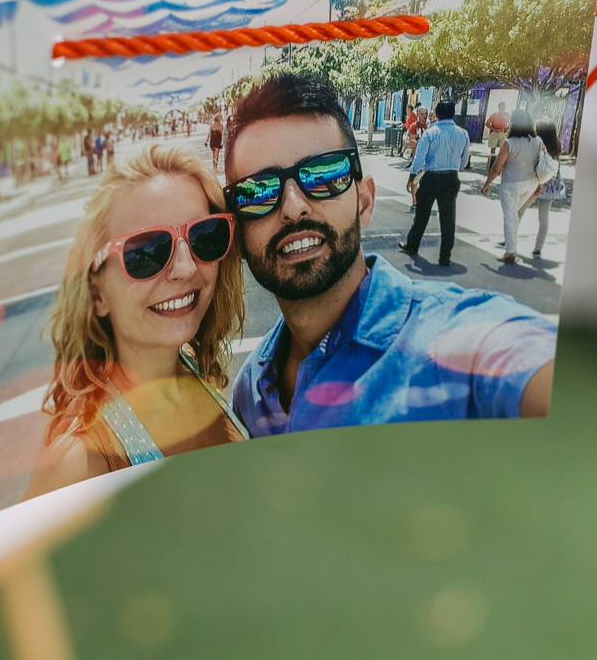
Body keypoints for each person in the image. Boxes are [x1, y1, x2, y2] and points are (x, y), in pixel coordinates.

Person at [223, 74, 556, 435]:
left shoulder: (453, 343)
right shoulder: (249, 391)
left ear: (364, 202)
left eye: (323, 174)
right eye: (256, 193)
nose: (293, 207)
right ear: (238, 235)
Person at [26, 145, 248, 497]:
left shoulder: (195, 373)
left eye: (205, 236)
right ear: (97, 293)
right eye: (146, 252)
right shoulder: (81, 462)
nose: (186, 269)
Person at [402, 100, 471, 266]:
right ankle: (445, 256)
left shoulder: (430, 133)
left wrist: (412, 177)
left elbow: (419, 159)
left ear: (437, 114)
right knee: (448, 218)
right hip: (451, 177)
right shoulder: (463, 134)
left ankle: (412, 246)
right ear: (453, 114)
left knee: (422, 215)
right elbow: (464, 160)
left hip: (431, 178)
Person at [480, 110, 547, 264]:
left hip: (511, 185)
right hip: (531, 183)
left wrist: (487, 183)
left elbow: (497, 167)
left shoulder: (509, 142)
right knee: (515, 216)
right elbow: (541, 164)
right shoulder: (537, 141)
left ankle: (510, 251)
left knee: (510, 217)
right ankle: (512, 246)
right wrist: (541, 183)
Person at [526, 118, 567, 259]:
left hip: (535, 182)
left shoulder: (535, 143)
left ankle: (508, 240)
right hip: (550, 184)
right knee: (543, 218)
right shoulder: (556, 144)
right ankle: (538, 249)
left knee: (518, 210)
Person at [482, 101, 512, 170]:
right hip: (495, 132)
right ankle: (491, 164)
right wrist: (494, 129)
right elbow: (487, 123)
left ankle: (500, 165)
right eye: (502, 106)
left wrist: (507, 129)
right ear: (499, 107)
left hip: (503, 133)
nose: (503, 107)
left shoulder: (507, 115)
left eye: (504, 106)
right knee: (493, 148)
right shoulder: (494, 115)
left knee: (502, 149)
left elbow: (510, 123)